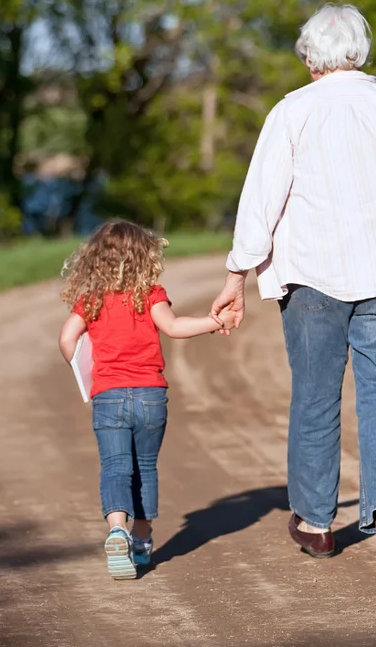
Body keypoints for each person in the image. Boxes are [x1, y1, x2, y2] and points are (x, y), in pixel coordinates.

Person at [210, 3, 376, 570]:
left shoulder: (293, 112)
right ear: (360, 52)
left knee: (317, 393)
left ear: (308, 57)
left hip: (314, 273)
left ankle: (318, 523)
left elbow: (261, 198)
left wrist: (236, 275)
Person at [59, 220, 238, 580]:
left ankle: (116, 530)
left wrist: (85, 369)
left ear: (94, 259)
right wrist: (213, 321)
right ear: (145, 257)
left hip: (107, 395)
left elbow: (67, 339)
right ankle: (141, 540)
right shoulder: (151, 295)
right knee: (145, 466)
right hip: (150, 396)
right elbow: (173, 328)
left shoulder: (90, 301)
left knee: (115, 467)